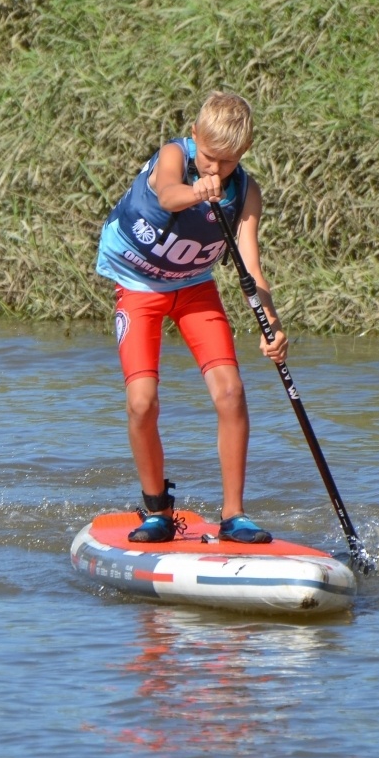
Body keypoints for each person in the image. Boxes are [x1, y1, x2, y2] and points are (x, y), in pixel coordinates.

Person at [94, 91, 288, 544]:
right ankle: (157, 509)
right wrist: (195, 191)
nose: (214, 169)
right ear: (194, 135)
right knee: (142, 402)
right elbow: (166, 193)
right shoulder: (174, 156)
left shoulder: (245, 192)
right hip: (139, 286)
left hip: (193, 287)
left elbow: (251, 267)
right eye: (207, 156)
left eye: (226, 162)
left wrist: (272, 324)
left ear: (243, 154)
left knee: (231, 392)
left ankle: (233, 515)